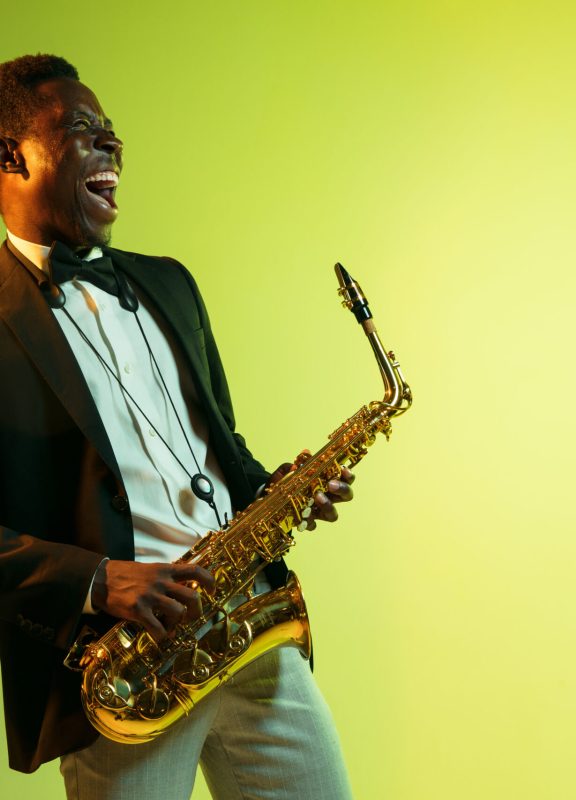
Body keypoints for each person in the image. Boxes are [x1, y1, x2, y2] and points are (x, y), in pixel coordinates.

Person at [0, 54, 354, 799]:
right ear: (12, 154)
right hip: (127, 673)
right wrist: (99, 582)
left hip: (251, 633)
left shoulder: (170, 282)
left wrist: (277, 492)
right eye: (83, 131)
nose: (112, 147)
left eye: (114, 133)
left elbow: (218, 448)